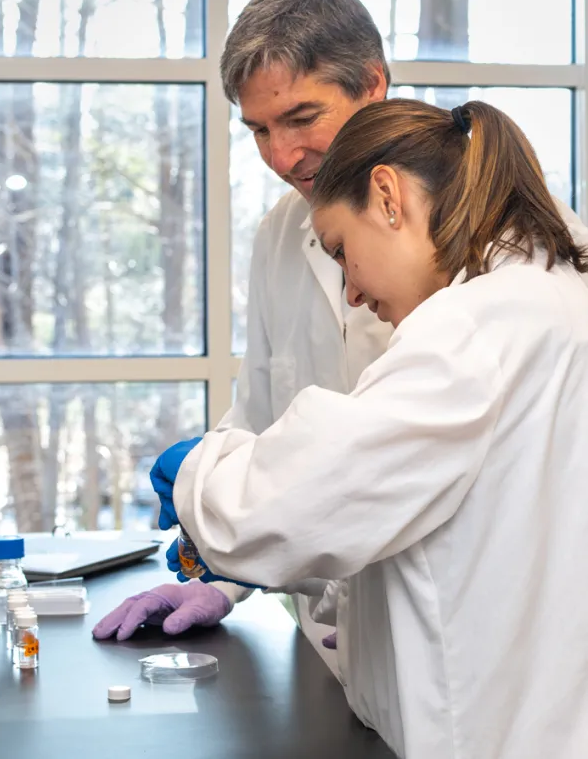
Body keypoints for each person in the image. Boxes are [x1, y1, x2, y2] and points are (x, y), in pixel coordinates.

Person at [92, 0, 588, 653]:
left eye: (300, 118)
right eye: (259, 130)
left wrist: (217, 496)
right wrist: (223, 573)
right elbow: (267, 427)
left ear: (372, 84)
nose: (279, 157)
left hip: (467, 645)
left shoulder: (511, 266)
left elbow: (343, 474)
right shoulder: (278, 236)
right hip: (340, 651)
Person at [160, 99, 588, 758]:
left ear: (387, 196)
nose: (352, 292)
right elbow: (484, 531)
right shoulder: (554, 294)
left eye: (341, 251)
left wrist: (197, 475)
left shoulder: (470, 331)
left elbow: (285, 507)